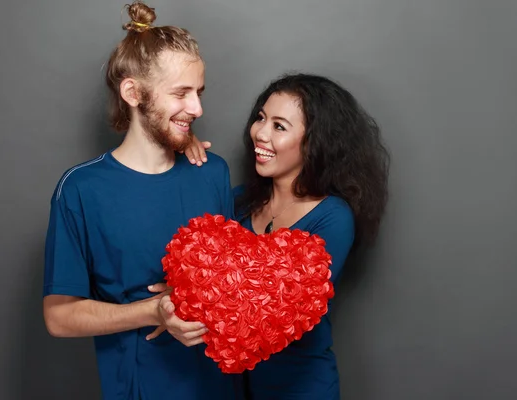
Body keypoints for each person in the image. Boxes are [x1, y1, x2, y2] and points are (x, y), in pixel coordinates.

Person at [42, 2, 240, 399]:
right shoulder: (81, 189)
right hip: (138, 389)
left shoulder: (212, 171)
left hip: (221, 388)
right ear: (133, 92)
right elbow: (59, 317)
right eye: (181, 93)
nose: (197, 108)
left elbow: (231, 280)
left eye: (199, 93)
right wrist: (152, 312)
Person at [167, 73, 390, 399]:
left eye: (279, 126)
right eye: (261, 118)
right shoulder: (239, 201)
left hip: (301, 389)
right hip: (232, 389)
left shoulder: (333, 217)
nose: (260, 133)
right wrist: (187, 160)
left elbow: (253, 306)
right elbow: (190, 249)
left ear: (315, 142)